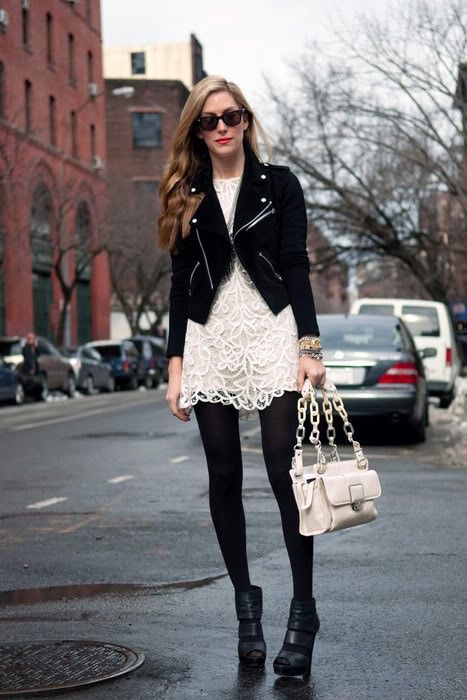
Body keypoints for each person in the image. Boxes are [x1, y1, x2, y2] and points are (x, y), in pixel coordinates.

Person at [158, 76, 326, 677]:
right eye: (209, 120)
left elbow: (295, 264)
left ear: (247, 121)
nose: (222, 127)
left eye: (231, 116)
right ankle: (247, 610)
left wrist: (309, 345)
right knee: (224, 471)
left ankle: (302, 612)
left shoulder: (279, 185)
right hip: (209, 337)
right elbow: (180, 286)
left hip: (271, 330)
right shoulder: (187, 192)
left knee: (283, 467)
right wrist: (175, 366)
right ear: (197, 132)